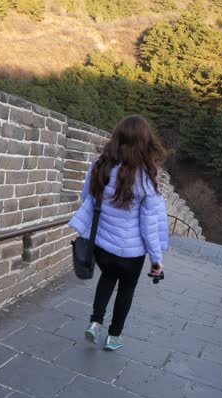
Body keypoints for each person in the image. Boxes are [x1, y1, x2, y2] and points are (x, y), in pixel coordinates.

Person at [68, 115, 169, 351]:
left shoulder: (100, 165)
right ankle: (114, 336)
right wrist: (156, 259)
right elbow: (149, 224)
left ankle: (95, 322)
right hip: (131, 254)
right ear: (145, 142)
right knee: (126, 291)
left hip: (103, 246)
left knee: (107, 278)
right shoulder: (147, 177)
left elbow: (87, 198)